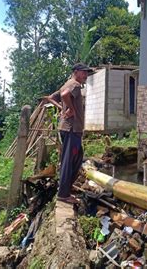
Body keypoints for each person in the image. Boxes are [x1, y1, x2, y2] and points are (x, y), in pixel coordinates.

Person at [47, 63, 92, 204]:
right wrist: (70, 109)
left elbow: (51, 98)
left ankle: (66, 188)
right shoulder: (75, 85)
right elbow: (65, 95)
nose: (85, 76)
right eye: (84, 73)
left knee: (77, 158)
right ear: (76, 72)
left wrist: (63, 108)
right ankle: (63, 194)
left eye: (87, 73)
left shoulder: (67, 84)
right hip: (71, 129)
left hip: (70, 129)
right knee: (69, 161)